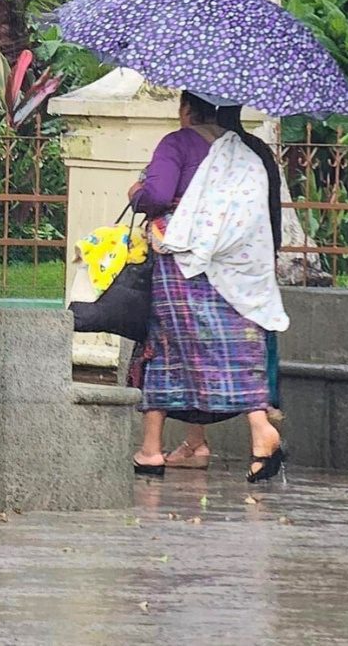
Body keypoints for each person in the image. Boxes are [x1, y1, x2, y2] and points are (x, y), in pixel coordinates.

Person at [126, 91, 288, 483]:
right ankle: (253, 431)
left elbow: (157, 195)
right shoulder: (252, 150)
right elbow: (268, 212)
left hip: (182, 264)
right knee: (235, 348)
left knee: (165, 347)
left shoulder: (177, 143)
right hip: (237, 266)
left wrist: (136, 194)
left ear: (187, 109)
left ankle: (151, 450)